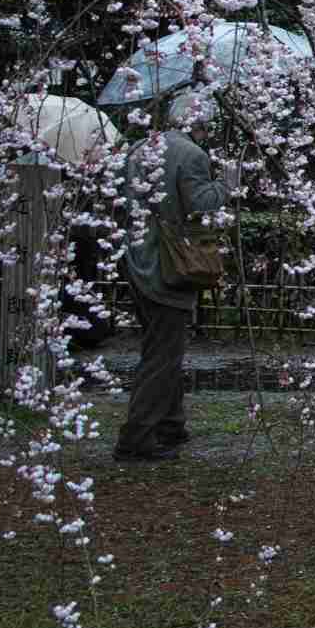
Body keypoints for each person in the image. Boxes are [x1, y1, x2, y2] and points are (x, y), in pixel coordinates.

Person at [115, 91, 237, 462]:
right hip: (169, 265)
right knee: (163, 353)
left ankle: (171, 422)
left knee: (161, 345)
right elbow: (202, 205)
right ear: (200, 123)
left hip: (138, 258)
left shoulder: (141, 147)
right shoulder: (191, 154)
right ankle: (137, 436)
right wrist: (227, 184)